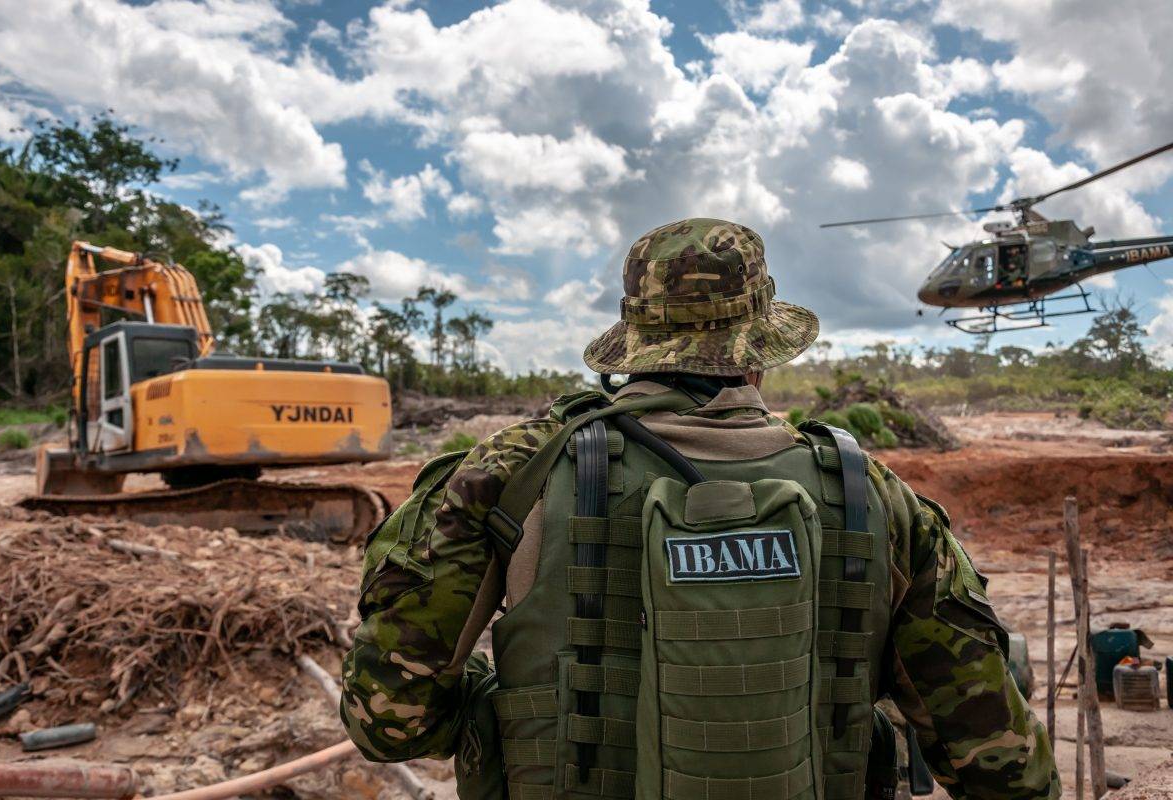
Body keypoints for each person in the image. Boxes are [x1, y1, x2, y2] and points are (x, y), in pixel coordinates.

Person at [341, 218, 1060, 800]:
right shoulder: (872, 494)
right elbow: (1003, 770)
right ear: (760, 350)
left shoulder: (512, 474)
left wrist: (510, 700)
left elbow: (389, 722)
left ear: (633, 344)